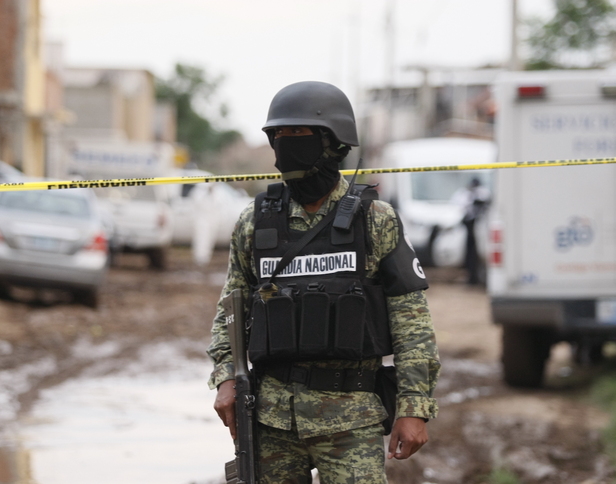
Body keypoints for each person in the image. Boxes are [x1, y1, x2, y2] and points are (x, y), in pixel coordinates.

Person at [207, 81, 440, 484]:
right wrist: (227, 376)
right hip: (271, 419)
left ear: (334, 143)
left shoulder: (375, 219)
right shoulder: (255, 221)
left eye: (299, 135)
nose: (286, 145)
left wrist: (414, 408)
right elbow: (230, 312)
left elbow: (412, 325)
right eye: (279, 136)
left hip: (351, 417)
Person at [453, 177, 491, 285]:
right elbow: (460, 207)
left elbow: (486, 203)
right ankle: (471, 277)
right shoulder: (464, 193)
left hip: (480, 224)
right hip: (469, 225)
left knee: (478, 252)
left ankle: (475, 277)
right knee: (470, 252)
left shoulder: (483, 192)